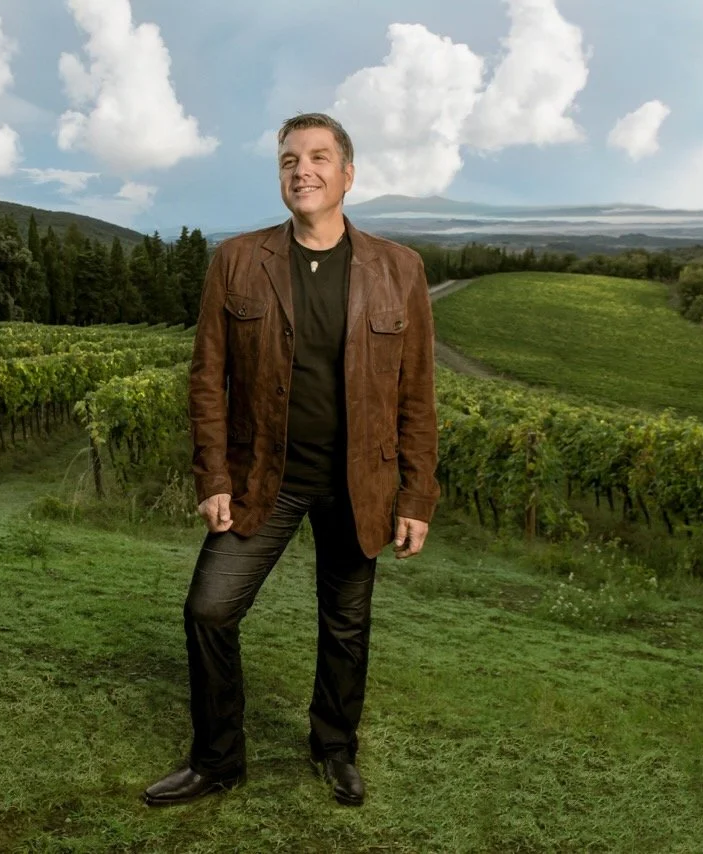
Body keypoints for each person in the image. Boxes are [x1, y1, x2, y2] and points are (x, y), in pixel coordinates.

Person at [142, 113, 440, 808]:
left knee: (346, 625)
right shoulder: (238, 260)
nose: (301, 170)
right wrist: (213, 477)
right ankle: (218, 760)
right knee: (209, 610)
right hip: (261, 480)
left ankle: (334, 748)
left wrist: (416, 496)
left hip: (359, 482)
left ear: (347, 174)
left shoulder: (399, 269)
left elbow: (417, 393)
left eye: (317, 157)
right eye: (288, 160)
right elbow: (206, 379)